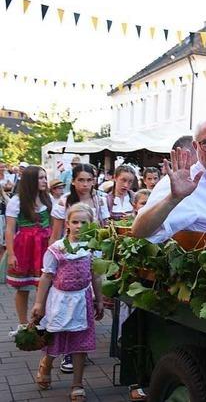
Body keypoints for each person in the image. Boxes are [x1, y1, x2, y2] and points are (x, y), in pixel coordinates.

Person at [31, 203, 104, 401]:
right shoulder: (57, 249)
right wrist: (39, 303)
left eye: (84, 222)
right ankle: (46, 364)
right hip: (60, 301)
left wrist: (99, 299)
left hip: (82, 300)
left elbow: (96, 275)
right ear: (67, 224)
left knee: (80, 343)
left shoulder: (93, 248)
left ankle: (77, 383)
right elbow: (46, 277)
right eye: (75, 222)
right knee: (54, 337)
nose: (79, 226)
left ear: (91, 225)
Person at [5, 166, 52, 328]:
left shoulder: (48, 199)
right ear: (31, 180)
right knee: (23, 287)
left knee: (45, 285)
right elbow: (10, 230)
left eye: (45, 177)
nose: (45, 181)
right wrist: (11, 254)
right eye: (40, 178)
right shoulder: (17, 201)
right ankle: (23, 324)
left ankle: (40, 322)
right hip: (25, 247)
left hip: (45, 246)